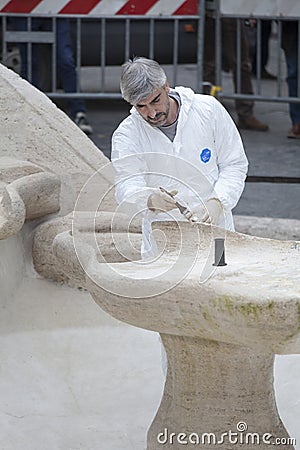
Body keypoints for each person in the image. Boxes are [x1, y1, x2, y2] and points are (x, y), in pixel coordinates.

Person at [111, 57, 248, 258]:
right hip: (162, 243)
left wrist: (218, 202)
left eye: (155, 101)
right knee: (167, 287)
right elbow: (125, 185)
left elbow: (234, 163)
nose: (152, 113)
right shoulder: (127, 135)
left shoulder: (208, 110)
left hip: (217, 232)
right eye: (141, 107)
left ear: (165, 86)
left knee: (220, 280)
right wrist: (148, 199)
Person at [11, 17, 93, 135]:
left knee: (65, 61)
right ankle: (30, 112)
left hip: (54, 11)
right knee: (29, 63)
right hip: (26, 11)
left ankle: (78, 112)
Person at [203, 16, 269, 132]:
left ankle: (244, 113)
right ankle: (208, 112)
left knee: (237, 63)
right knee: (211, 63)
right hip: (212, 12)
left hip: (226, 12)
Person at [281, 21, 300, 139]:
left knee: (293, 72)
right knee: (293, 72)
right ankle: (297, 121)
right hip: (291, 26)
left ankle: (297, 121)